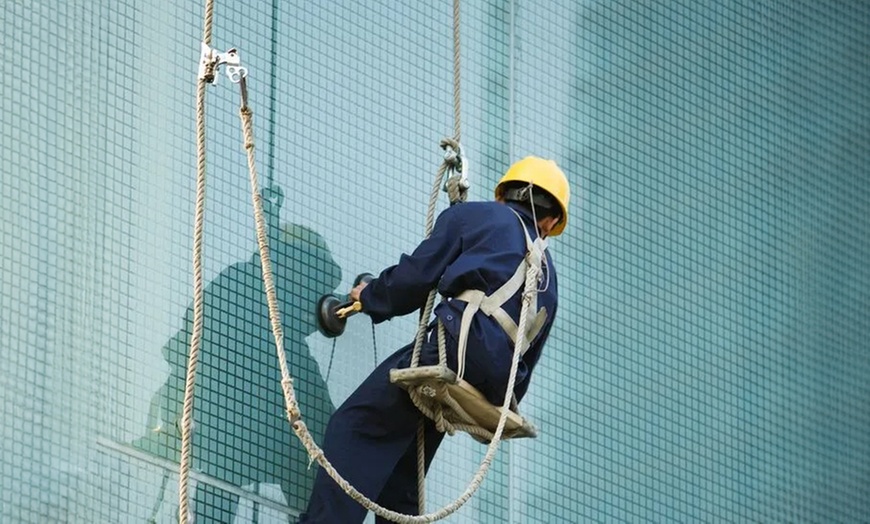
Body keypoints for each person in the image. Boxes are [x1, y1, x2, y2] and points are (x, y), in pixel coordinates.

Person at [299, 156, 571, 523]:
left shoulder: (479, 217)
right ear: (551, 221)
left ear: (503, 196)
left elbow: (413, 280)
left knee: (356, 429)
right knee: (402, 478)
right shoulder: (549, 280)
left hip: (448, 354)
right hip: (484, 385)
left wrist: (370, 297)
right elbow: (529, 356)